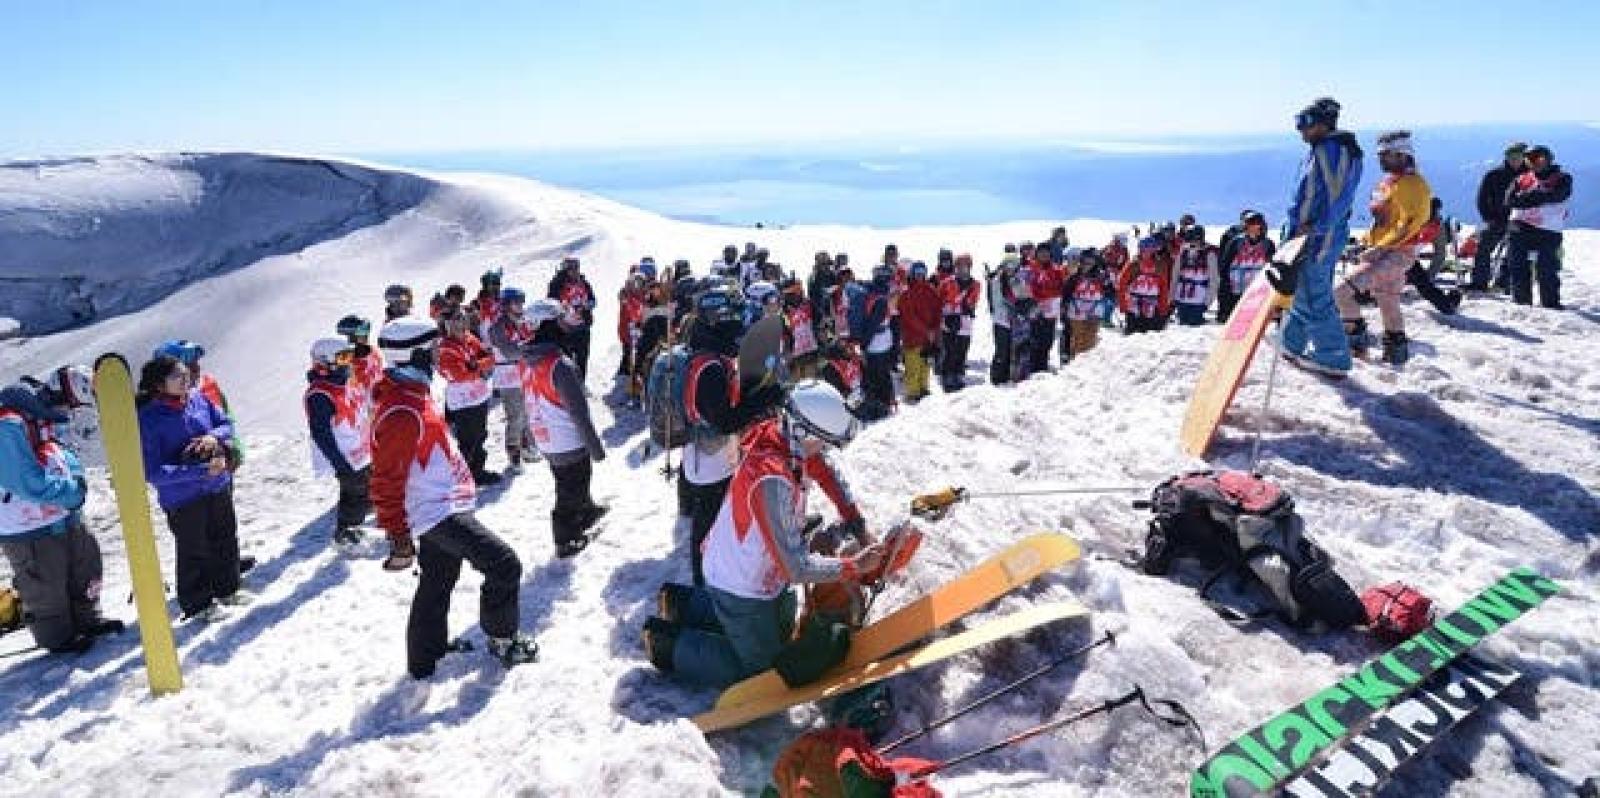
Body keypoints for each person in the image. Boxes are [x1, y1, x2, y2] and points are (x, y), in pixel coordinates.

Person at [643, 380, 886, 688]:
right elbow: (795, 568)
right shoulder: (771, 480)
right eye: (824, 443)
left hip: (757, 568)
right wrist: (855, 565)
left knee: (779, 631)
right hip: (740, 581)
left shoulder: (787, 437)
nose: (824, 450)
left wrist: (857, 523)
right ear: (807, 434)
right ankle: (668, 645)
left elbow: (825, 472)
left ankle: (682, 604)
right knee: (763, 676)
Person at [369, 316, 539, 677]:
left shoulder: (412, 393)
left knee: (438, 580)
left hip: (442, 503)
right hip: (436, 512)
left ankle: (426, 658)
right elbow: (385, 480)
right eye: (431, 349)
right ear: (413, 355)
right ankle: (503, 639)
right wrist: (398, 536)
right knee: (504, 564)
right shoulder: (402, 410)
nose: (437, 354)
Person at [0, 371, 122, 653]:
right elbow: (26, 481)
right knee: (45, 583)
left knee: (84, 565)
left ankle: (87, 619)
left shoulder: (45, 416)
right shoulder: (8, 424)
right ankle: (57, 637)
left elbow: (66, 452)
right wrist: (71, 493)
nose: (71, 414)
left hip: (64, 514)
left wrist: (76, 480)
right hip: (27, 525)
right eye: (73, 407)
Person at [677, 285, 787, 584]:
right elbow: (725, 420)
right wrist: (763, 399)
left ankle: (711, 571)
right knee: (708, 520)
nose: (740, 323)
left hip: (708, 451)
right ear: (720, 318)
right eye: (735, 316)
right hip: (709, 458)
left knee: (712, 515)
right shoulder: (710, 367)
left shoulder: (711, 354)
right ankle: (703, 579)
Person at [136, 355, 245, 621]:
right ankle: (198, 605)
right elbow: (153, 472)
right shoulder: (148, 419)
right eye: (177, 376)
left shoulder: (198, 398)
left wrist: (212, 437)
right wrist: (199, 471)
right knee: (194, 550)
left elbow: (226, 423)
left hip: (216, 484)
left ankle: (228, 589)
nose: (185, 379)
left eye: (186, 374)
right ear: (159, 384)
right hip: (183, 497)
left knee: (225, 538)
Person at [1277, 97, 1364, 377]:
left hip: (1319, 236)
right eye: (1298, 123)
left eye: (1306, 122)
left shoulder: (1334, 151)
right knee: (1303, 287)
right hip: (1308, 233)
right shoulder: (1321, 150)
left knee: (1315, 292)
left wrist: (1316, 226)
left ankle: (1333, 355)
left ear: (1325, 123)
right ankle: (1292, 342)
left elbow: (1338, 198)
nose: (1301, 129)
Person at [1333, 130, 1433, 366]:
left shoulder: (1412, 185)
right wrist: (1366, 242)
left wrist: (1379, 247)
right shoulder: (1390, 183)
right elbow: (1383, 221)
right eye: (1380, 154)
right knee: (1388, 301)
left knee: (1341, 292)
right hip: (1386, 251)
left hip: (1395, 253)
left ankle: (1355, 347)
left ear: (1402, 154)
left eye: (1386, 154)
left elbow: (1408, 224)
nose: (1380, 159)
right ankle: (1396, 356)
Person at [518, 299, 608, 558]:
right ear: (549, 325)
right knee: (571, 488)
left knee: (572, 481)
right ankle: (566, 539)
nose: (566, 325)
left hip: (547, 437)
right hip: (567, 439)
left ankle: (586, 510)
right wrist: (596, 448)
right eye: (560, 320)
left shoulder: (527, 360)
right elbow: (578, 412)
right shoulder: (559, 364)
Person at [303, 338, 373, 548]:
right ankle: (345, 535)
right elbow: (321, 434)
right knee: (354, 493)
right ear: (324, 362)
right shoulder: (320, 394)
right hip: (345, 455)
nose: (348, 362)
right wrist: (340, 464)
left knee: (364, 488)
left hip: (360, 450)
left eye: (349, 356)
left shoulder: (343, 381)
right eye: (342, 358)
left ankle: (357, 524)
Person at [154, 339, 242, 470]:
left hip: (219, 469)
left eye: (195, 363)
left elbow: (227, 420)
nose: (196, 369)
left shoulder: (207, 388)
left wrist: (233, 450)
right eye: (187, 366)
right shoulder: (154, 409)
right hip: (185, 478)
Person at [437, 306, 500, 486]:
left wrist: (475, 366)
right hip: (463, 402)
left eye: (463, 318)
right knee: (467, 441)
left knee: (480, 435)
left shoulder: (470, 338)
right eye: (456, 319)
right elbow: (459, 374)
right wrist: (477, 367)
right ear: (447, 324)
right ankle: (463, 477)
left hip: (479, 396)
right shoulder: (445, 348)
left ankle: (477, 471)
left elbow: (490, 358)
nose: (461, 322)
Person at [1503, 145, 1572, 309]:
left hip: (1549, 230)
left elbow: (1558, 195)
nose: (1535, 163)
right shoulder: (1521, 179)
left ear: (1549, 160)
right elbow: (1509, 201)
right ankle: (1521, 302)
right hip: (1520, 227)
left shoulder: (1562, 178)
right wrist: (1537, 197)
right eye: (1529, 159)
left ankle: (1550, 303)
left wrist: (1527, 197)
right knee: (1517, 265)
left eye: (1539, 159)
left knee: (1547, 268)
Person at [1465, 143, 1528, 293]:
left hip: (1523, 222)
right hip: (1498, 220)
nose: (1515, 160)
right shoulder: (1494, 175)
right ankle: (1479, 283)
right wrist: (1489, 218)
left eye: (1518, 157)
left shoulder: (1530, 176)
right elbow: (1482, 199)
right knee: (1484, 247)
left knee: (1515, 251)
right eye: (1511, 157)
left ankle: (1504, 283)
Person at [489, 287, 536, 471]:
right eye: (517, 303)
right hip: (508, 375)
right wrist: (529, 349)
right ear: (507, 305)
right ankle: (513, 452)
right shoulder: (498, 327)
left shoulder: (522, 322)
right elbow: (510, 352)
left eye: (522, 302)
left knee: (527, 411)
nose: (521, 306)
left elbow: (532, 340)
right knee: (515, 415)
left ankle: (525, 446)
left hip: (523, 372)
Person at [1217, 212, 1275, 321]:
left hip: (1256, 290)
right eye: (1249, 225)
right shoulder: (1236, 242)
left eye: (1255, 225)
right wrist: (1226, 284)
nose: (1252, 228)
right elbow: (1225, 265)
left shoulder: (1268, 244)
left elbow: (1271, 267)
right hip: (1235, 289)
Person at [898, 261, 942, 403]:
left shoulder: (930, 291)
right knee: (913, 366)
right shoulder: (906, 293)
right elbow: (909, 317)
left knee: (925, 365)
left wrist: (935, 328)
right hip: (912, 337)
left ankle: (923, 388)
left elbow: (938, 310)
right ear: (912, 274)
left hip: (928, 338)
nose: (920, 276)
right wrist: (926, 330)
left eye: (922, 274)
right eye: (917, 274)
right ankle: (912, 392)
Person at [547, 256, 598, 379]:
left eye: (576, 268)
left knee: (582, 359)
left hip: (582, 327)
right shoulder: (557, 284)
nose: (575, 271)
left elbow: (593, 300)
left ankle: (580, 384)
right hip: (565, 328)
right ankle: (569, 385)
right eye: (571, 268)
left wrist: (586, 307)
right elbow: (550, 303)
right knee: (566, 361)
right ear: (565, 269)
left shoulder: (583, 282)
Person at [937, 253, 980, 392]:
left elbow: (973, 301)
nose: (962, 269)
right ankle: (947, 375)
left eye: (965, 266)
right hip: (949, 320)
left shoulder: (975, 284)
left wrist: (966, 307)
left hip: (965, 321)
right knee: (949, 349)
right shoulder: (947, 283)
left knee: (962, 347)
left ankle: (958, 373)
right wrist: (945, 315)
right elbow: (939, 300)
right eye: (959, 266)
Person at [1062, 249, 1115, 361]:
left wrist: (1108, 294)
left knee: (1090, 337)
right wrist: (1064, 307)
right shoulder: (1075, 277)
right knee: (1077, 337)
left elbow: (1110, 291)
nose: (1087, 265)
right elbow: (1066, 292)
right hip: (1076, 310)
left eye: (1090, 262)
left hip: (1094, 310)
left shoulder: (1101, 277)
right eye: (1085, 261)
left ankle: (1086, 361)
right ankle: (1075, 360)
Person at [858, 265, 896, 418]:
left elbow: (872, 325)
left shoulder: (877, 297)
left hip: (876, 342)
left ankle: (883, 403)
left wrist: (863, 344)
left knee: (877, 374)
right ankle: (885, 401)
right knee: (881, 373)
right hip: (882, 340)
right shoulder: (881, 295)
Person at [1118, 237, 1173, 334]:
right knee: (1132, 331)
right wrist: (1123, 304)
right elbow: (1122, 283)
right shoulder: (1133, 264)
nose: (1146, 252)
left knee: (1148, 332)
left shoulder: (1160, 265)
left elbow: (1164, 287)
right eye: (1144, 249)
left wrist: (1163, 307)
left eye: (1149, 250)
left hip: (1152, 304)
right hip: (1133, 303)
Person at [1026, 247, 1066, 372]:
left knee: (1047, 338)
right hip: (1034, 307)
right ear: (1037, 254)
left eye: (1046, 252)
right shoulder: (1030, 269)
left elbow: (1061, 287)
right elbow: (1027, 287)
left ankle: (1042, 366)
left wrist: (1049, 293)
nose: (1044, 255)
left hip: (1050, 309)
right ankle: (1032, 367)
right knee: (1033, 338)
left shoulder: (1056, 270)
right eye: (1041, 252)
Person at [1171, 226, 1219, 326]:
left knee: (1194, 326)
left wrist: (1207, 302)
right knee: (1182, 325)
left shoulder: (1209, 254)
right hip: (1181, 298)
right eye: (1189, 240)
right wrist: (1172, 296)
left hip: (1199, 300)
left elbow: (1214, 280)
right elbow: (1175, 275)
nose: (1191, 243)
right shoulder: (1183, 252)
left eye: (1193, 239)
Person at [987, 250, 1021, 385]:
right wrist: (1012, 307)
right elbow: (997, 302)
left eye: (1013, 265)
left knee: (1011, 349)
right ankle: (997, 377)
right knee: (1001, 349)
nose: (1010, 268)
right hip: (1001, 320)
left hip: (1014, 320)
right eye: (1008, 265)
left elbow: (1022, 296)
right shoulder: (997, 281)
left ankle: (1007, 375)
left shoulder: (1017, 280)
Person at [473, 269, 503, 341]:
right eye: (494, 284)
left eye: (498, 284)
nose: (497, 286)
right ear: (486, 286)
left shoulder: (502, 300)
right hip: (488, 339)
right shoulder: (478, 303)